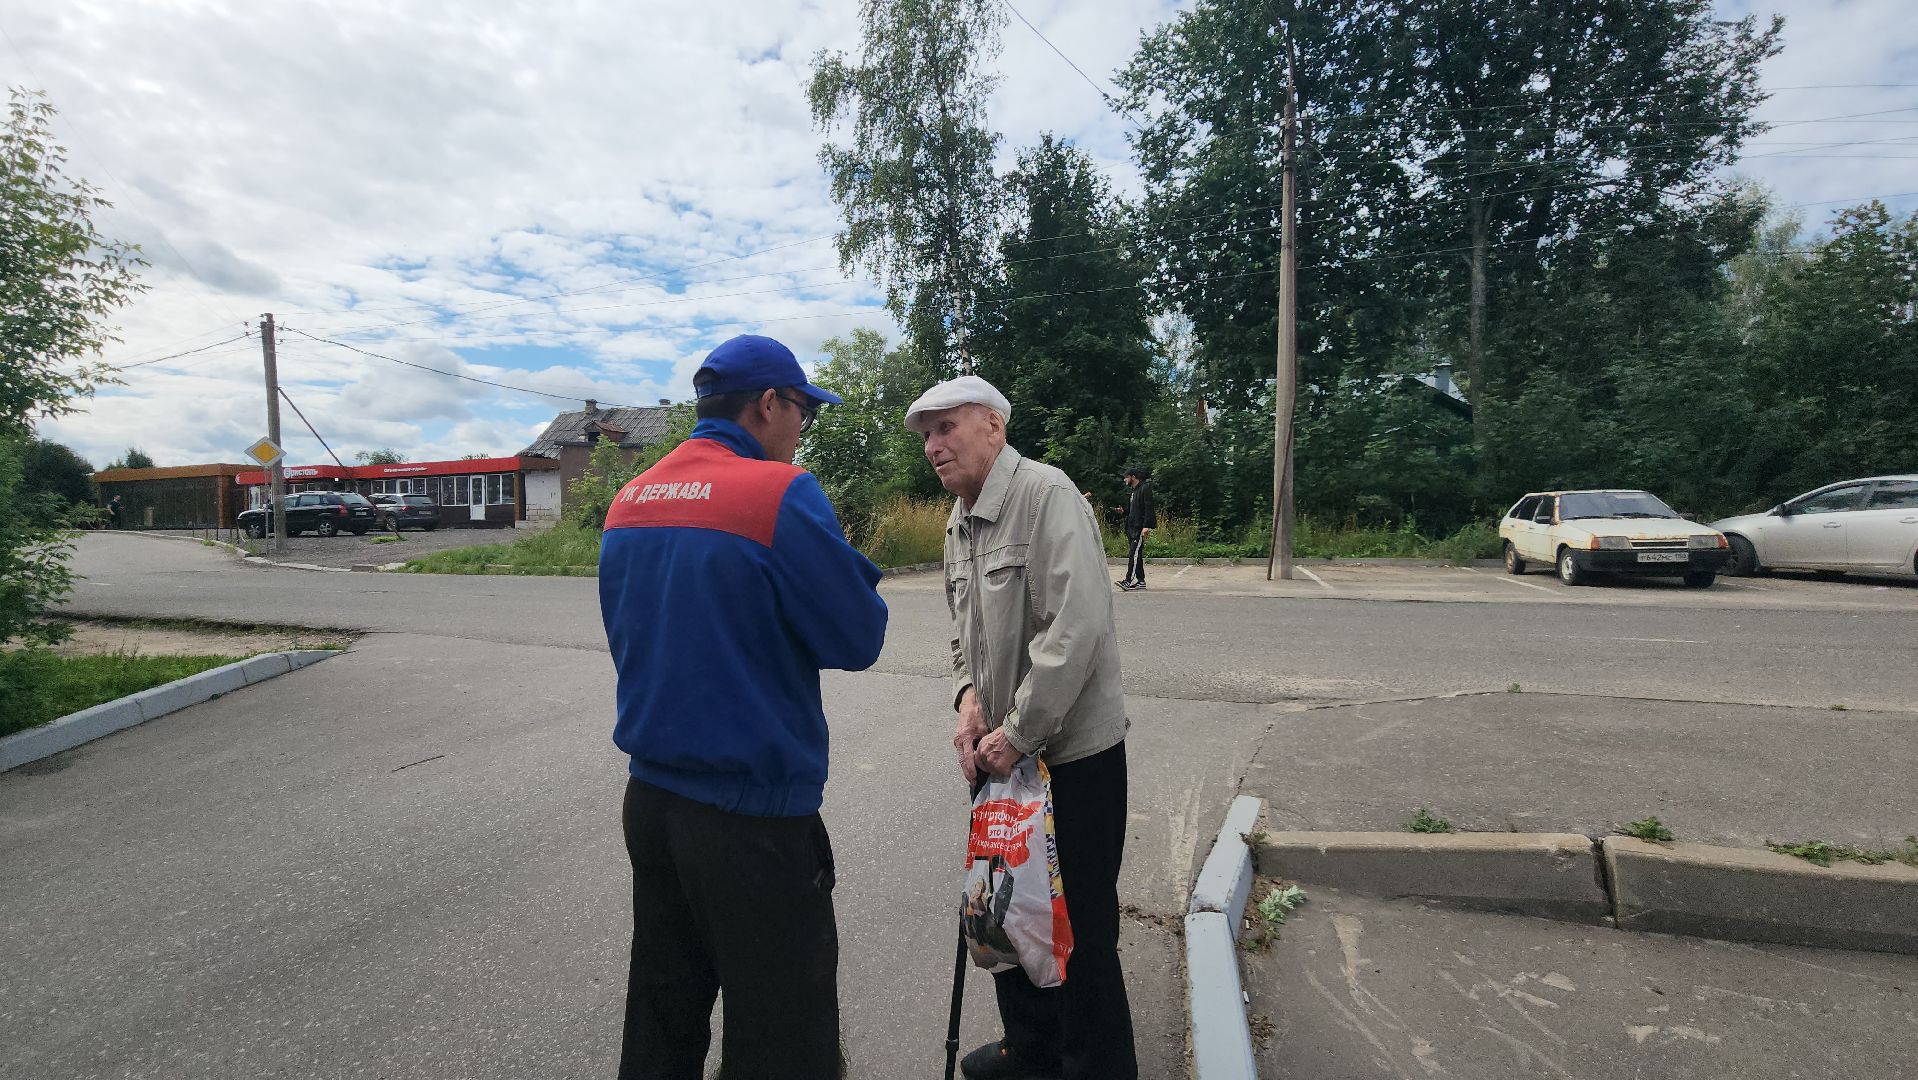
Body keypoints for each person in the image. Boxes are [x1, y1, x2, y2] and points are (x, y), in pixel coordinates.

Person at [599, 333, 888, 1080]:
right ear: (768, 404)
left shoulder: (630, 500)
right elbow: (858, 636)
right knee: (783, 1038)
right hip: (750, 821)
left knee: (663, 1014)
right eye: (802, 412)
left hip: (652, 802)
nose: (801, 430)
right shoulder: (778, 494)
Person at [905, 375, 1136, 1080]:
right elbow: (961, 633)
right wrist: (969, 700)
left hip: (1070, 756)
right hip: (1002, 759)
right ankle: (1031, 1049)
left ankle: (1096, 1065)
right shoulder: (958, 519)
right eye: (926, 435)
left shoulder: (1046, 496)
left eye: (947, 428)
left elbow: (1078, 628)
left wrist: (1019, 732)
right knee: (1004, 911)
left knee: (1080, 927)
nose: (934, 446)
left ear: (995, 428)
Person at [1115, 468, 1156, 590]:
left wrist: (1146, 526)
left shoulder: (1145, 488)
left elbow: (1149, 508)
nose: (1125, 480)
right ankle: (1141, 581)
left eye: (1126, 477)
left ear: (1133, 477)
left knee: (1133, 554)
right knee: (1136, 555)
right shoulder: (1133, 491)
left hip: (1139, 528)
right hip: (1131, 527)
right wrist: (1123, 511)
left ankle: (1127, 581)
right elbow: (1133, 510)